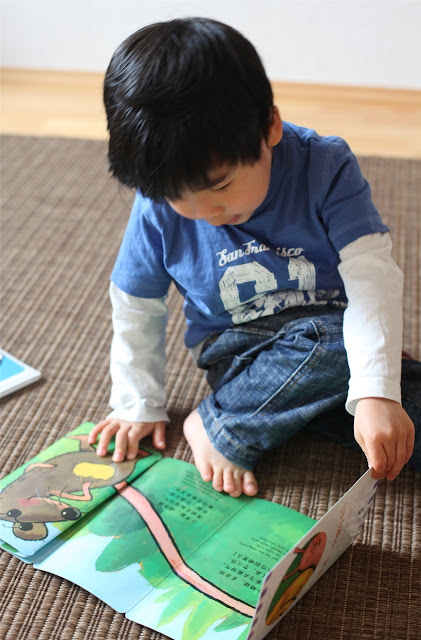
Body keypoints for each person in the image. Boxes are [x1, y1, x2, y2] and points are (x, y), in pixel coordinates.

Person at [88, 17, 420, 497]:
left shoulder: (326, 167)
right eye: (179, 197)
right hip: (240, 350)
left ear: (270, 126)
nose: (207, 213)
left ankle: (301, 404)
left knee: (392, 401)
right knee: (346, 350)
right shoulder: (156, 204)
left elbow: (373, 278)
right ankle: (225, 424)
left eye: (221, 185)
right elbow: (136, 304)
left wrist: (378, 392)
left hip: (330, 335)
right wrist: (137, 402)